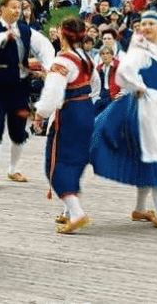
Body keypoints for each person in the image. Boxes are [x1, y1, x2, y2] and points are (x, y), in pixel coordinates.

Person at [90, 11, 157, 230]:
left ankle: (141, 208)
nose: (148, 27)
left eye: (152, 23)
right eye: (144, 23)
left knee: (153, 152)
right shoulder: (141, 51)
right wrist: (138, 86)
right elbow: (124, 72)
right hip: (142, 106)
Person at [0, 0, 55, 187]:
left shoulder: (27, 31)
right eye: (13, 7)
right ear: (2, 8)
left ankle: (13, 169)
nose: (17, 10)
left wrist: (48, 66)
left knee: (18, 131)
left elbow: (45, 48)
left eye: (20, 7)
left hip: (20, 88)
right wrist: (3, 35)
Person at [33, 17, 99, 233]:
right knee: (75, 160)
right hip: (87, 110)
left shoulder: (62, 61)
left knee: (55, 163)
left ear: (62, 35)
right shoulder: (86, 58)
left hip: (69, 113)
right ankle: (68, 211)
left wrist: (40, 114)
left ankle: (76, 212)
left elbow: (52, 94)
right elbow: (95, 85)